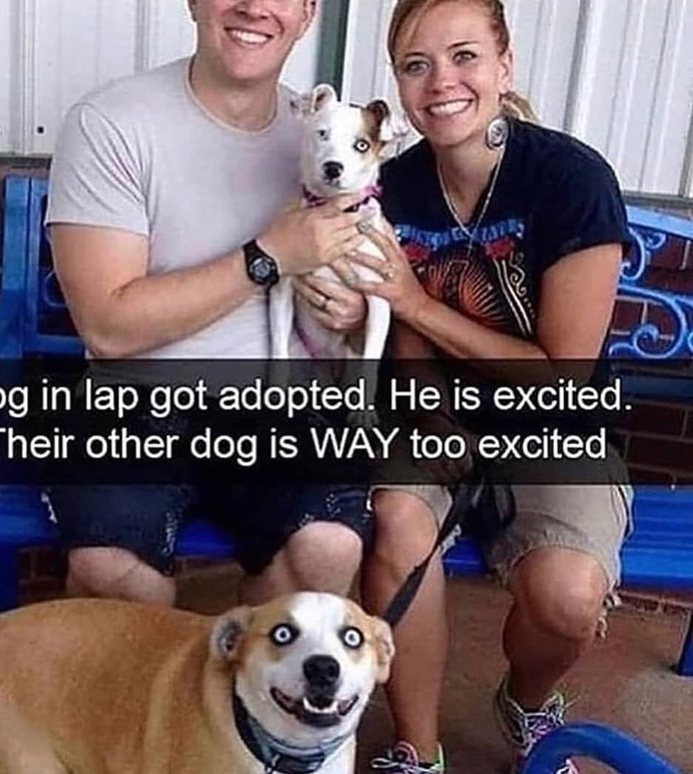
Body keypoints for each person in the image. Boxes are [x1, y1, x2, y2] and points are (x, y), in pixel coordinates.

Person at [308, 0, 634, 772]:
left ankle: (524, 702)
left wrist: (414, 300)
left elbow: (564, 372)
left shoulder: (569, 179)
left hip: (559, 426)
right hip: (440, 418)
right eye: (416, 65)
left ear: (504, 65)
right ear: (398, 85)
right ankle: (419, 749)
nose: (441, 82)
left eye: (464, 57)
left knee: (567, 598)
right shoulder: (395, 184)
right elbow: (401, 329)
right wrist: (428, 404)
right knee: (395, 518)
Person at [43, 0, 372, 611]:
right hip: (135, 399)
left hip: (278, 402)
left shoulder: (326, 138)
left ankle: (233, 691)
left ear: (307, 14)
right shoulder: (111, 122)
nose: (254, 7)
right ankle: (151, 686)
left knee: (327, 548)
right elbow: (107, 327)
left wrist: (352, 313)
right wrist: (267, 256)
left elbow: (363, 284)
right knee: (111, 570)